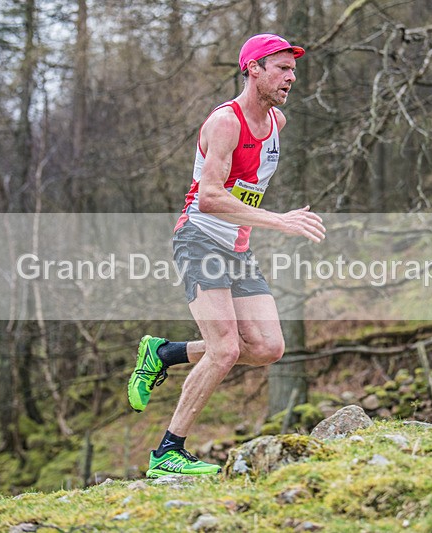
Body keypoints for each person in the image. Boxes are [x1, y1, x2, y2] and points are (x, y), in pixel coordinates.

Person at [127, 33, 325, 478]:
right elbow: (210, 198)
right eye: (282, 68)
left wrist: (260, 223)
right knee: (224, 349)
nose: (291, 78)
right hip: (199, 238)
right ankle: (167, 454)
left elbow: (246, 187)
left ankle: (164, 353)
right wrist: (280, 221)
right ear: (253, 69)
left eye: (293, 70)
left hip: (237, 247)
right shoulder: (224, 122)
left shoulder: (277, 123)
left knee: (268, 347)